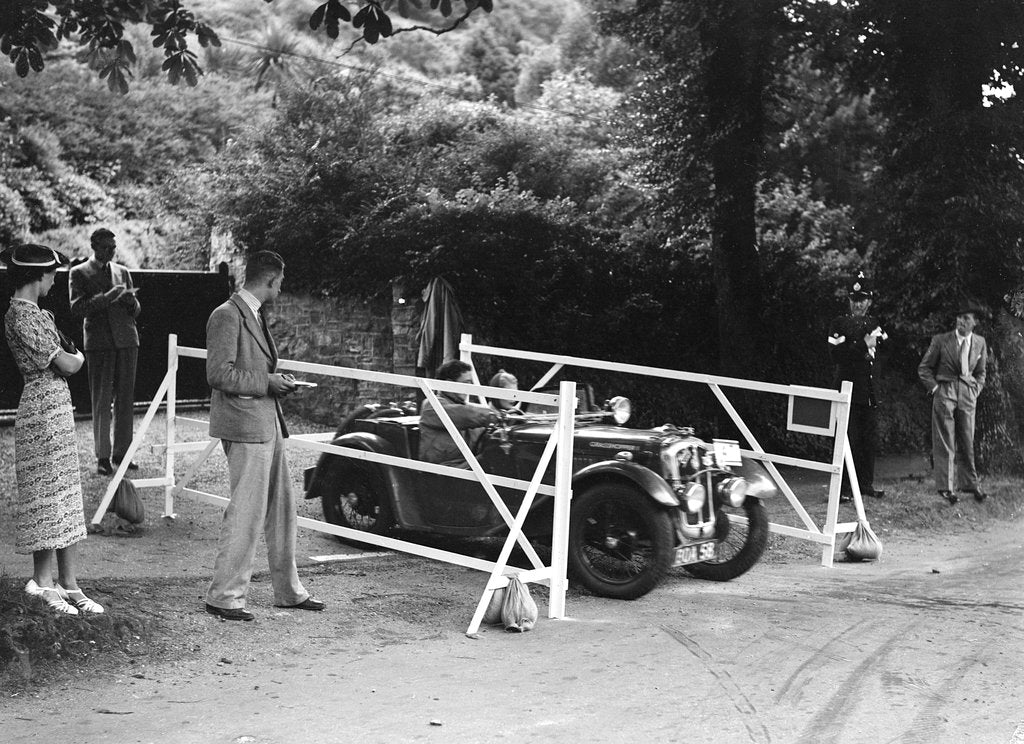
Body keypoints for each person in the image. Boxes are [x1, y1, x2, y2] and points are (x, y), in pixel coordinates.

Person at [204, 250, 324, 621]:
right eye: (281, 282)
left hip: (265, 423)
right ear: (271, 280)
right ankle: (224, 595)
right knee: (247, 512)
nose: (282, 288)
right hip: (245, 427)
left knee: (282, 509)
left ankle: (288, 591)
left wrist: (275, 382)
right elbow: (218, 375)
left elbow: (249, 370)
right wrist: (267, 382)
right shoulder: (226, 315)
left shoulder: (252, 314)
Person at [2, 244, 104, 615]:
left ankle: (67, 583)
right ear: (37, 275)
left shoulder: (38, 314)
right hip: (42, 411)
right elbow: (68, 362)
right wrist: (76, 358)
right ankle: (43, 582)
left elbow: (67, 359)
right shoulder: (22, 316)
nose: (53, 281)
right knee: (47, 494)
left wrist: (72, 358)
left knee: (63, 492)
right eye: (51, 275)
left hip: (55, 408)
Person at [69, 227, 141, 475]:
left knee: (125, 400)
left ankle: (122, 453)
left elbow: (136, 310)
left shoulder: (123, 272)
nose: (112, 251)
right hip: (100, 344)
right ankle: (102, 457)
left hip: (127, 341)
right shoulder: (79, 273)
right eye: (107, 247)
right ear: (95, 247)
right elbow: (77, 308)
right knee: (101, 400)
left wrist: (132, 302)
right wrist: (108, 297)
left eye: (114, 247)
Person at [917, 299, 988, 504]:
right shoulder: (941, 340)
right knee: (945, 440)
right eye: (959, 317)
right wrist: (936, 389)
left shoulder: (980, 342)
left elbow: (981, 372)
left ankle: (969, 483)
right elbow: (924, 368)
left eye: (966, 318)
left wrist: (976, 389)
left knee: (967, 439)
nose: (961, 322)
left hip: (968, 394)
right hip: (945, 391)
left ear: (975, 322)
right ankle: (946, 487)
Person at [828, 272, 887, 501]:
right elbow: (837, 355)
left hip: (869, 391)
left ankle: (865, 485)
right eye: (854, 299)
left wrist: (871, 345)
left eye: (862, 299)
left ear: (869, 301)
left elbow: (885, 349)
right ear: (849, 300)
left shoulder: (874, 323)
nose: (858, 304)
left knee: (868, 440)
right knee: (846, 440)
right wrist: (863, 345)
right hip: (847, 390)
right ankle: (842, 490)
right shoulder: (839, 323)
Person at [419, 359, 498, 468]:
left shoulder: (460, 405)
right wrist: (493, 416)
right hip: (445, 468)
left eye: (471, 383)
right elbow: (465, 415)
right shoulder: (432, 405)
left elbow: (477, 430)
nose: (469, 388)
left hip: (462, 464)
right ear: (448, 384)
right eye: (466, 383)